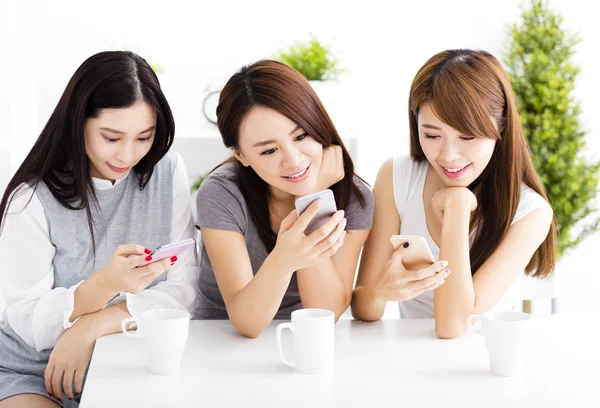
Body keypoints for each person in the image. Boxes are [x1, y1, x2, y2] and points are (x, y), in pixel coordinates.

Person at [0, 51, 198, 407]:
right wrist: (105, 284)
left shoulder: (166, 173)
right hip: (34, 370)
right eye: (111, 137)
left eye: (144, 137)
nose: (127, 155)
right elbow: (26, 321)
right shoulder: (30, 199)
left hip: (130, 362)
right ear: (78, 123)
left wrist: (92, 327)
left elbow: (183, 290)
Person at [351, 49, 555, 338]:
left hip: (484, 361)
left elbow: (453, 326)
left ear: (502, 125)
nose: (448, 155)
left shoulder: (531, 212)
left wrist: (457, 209)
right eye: (432, 135)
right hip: (409, 359)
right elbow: (363, 307)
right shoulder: (398, 176)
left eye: (467, 136)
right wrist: (380, 291)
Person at [193, 60, 374, 338]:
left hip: (303, 338)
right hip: (217, 338)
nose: (294, 160)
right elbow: (246, 323)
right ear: (240, 155)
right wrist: (284, 258)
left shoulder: (355, 197)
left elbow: (326, 312)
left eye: (301, 136)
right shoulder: (221, 195)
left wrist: (311, 200)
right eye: (268, 151)